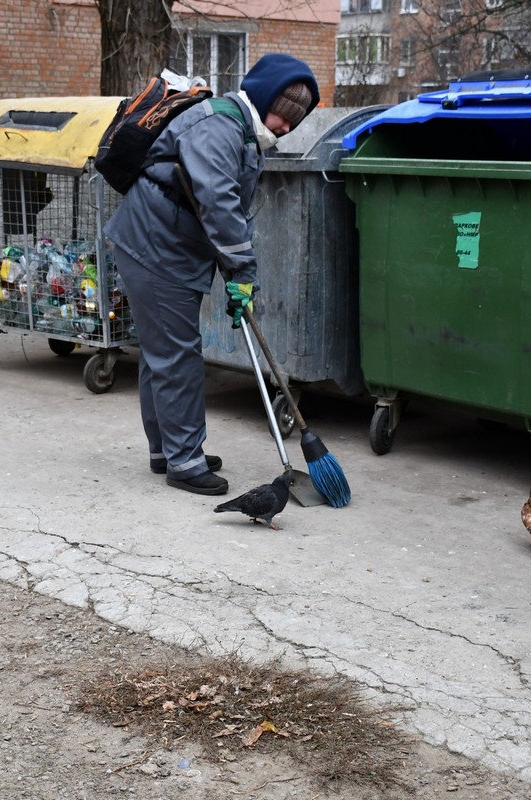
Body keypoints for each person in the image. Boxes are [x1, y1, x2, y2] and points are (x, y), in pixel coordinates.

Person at [104, 53, 319, 496]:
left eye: (295, 121)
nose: (286, 127)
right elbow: (219, 203)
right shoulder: (219, 128)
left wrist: (239, 274)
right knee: (178, 354)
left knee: (161, 351)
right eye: (284, 115)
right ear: (262, 99)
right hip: (155, 248)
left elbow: (235, 213)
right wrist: (241, 271)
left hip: (162, 245)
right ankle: (185, 460)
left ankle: (167, 449)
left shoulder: (243, 134)